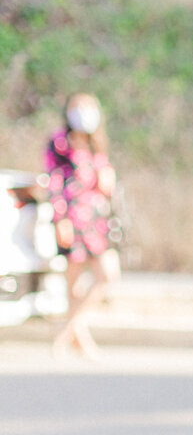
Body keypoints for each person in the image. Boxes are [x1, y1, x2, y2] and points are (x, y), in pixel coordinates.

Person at [44, 93, 119, 359]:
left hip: (96, 222)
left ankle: (64, 330)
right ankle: (80, 342)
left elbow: (104, 182)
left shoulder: (96, 142)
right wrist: (59, 219)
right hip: (71, 220)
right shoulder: (60, 143)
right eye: (78, 108)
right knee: (73, 284)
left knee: (107, 274)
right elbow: (54, 182)